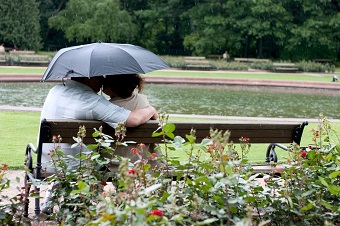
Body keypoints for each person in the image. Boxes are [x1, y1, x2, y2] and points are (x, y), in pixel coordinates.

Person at [40, 75, 157, 214]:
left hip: (46, 160)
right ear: (88, 78)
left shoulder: (55, 90)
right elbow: (133, 119)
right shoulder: (91, 101)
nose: (103, 79)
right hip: (78, 165)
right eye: (99, 76)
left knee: (69, 152)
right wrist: (151, 110)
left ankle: (51, 197)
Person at [102, 74, 162, 171]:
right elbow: (156, 118)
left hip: (112, 164)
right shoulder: (142, 101)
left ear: (112, 87)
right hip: (144, 163)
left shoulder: (107, 107)